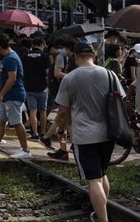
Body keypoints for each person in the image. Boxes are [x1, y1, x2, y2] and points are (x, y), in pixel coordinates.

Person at [55, 42, 123, 222]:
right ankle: (102, 211)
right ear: (93, 55)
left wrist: (61, 130)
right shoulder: (110, 74)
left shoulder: (70, 78)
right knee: (101, 174)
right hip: (108, 134)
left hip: (84, 136)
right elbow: (120, 100)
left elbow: (62, 112)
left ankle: (103, 219)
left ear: (76, 57)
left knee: (93, 180)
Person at [22, 38, 50, 140]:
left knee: (32, 111)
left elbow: (22, 71)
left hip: (29, 87)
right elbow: (47, 72)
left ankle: (35, 134)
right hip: (42, 87)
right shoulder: (44, 56)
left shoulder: (26, 56)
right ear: (42, 44)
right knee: (43, 111)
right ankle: (43, 132)